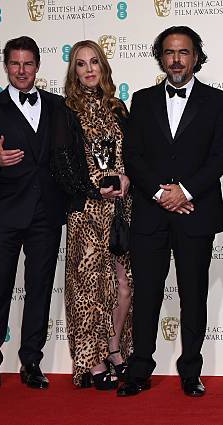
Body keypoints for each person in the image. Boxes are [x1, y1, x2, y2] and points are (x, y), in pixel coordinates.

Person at [118, 26, 223, 397]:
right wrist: (158, 194)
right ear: (161, 58)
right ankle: (140, 369)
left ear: (196, 56)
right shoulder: (142, 99)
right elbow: (132, 156)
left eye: (184, 52)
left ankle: (190, 370)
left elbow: (220, 157)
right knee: (147, 293)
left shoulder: (218, 101)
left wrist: (183, 191)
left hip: (195, 212)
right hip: (151, 216)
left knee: (193, 294)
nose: (177, 59)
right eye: (169, 52)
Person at [0, 36, 66, 394]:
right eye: (15, 64)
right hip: (5, 215)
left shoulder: (57, 105)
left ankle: (31, 362)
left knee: (39, 289)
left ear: (38, 66)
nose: (22, 71)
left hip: (46, 215)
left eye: (28, 64)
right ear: (6, 66)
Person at [51, 40, 133, 390]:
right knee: (88, 290)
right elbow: (62, 163)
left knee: (124, 285)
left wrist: (128, 179)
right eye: (81, 64)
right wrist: (92, 189)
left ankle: (115, 349)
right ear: (74, 70)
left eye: (94, 62)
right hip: (86, 210)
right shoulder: (65, 110)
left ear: (103, 67)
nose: (88, 69)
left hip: (120, 209)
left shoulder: (119, 108)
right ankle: (93, 359)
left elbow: (133, 153)